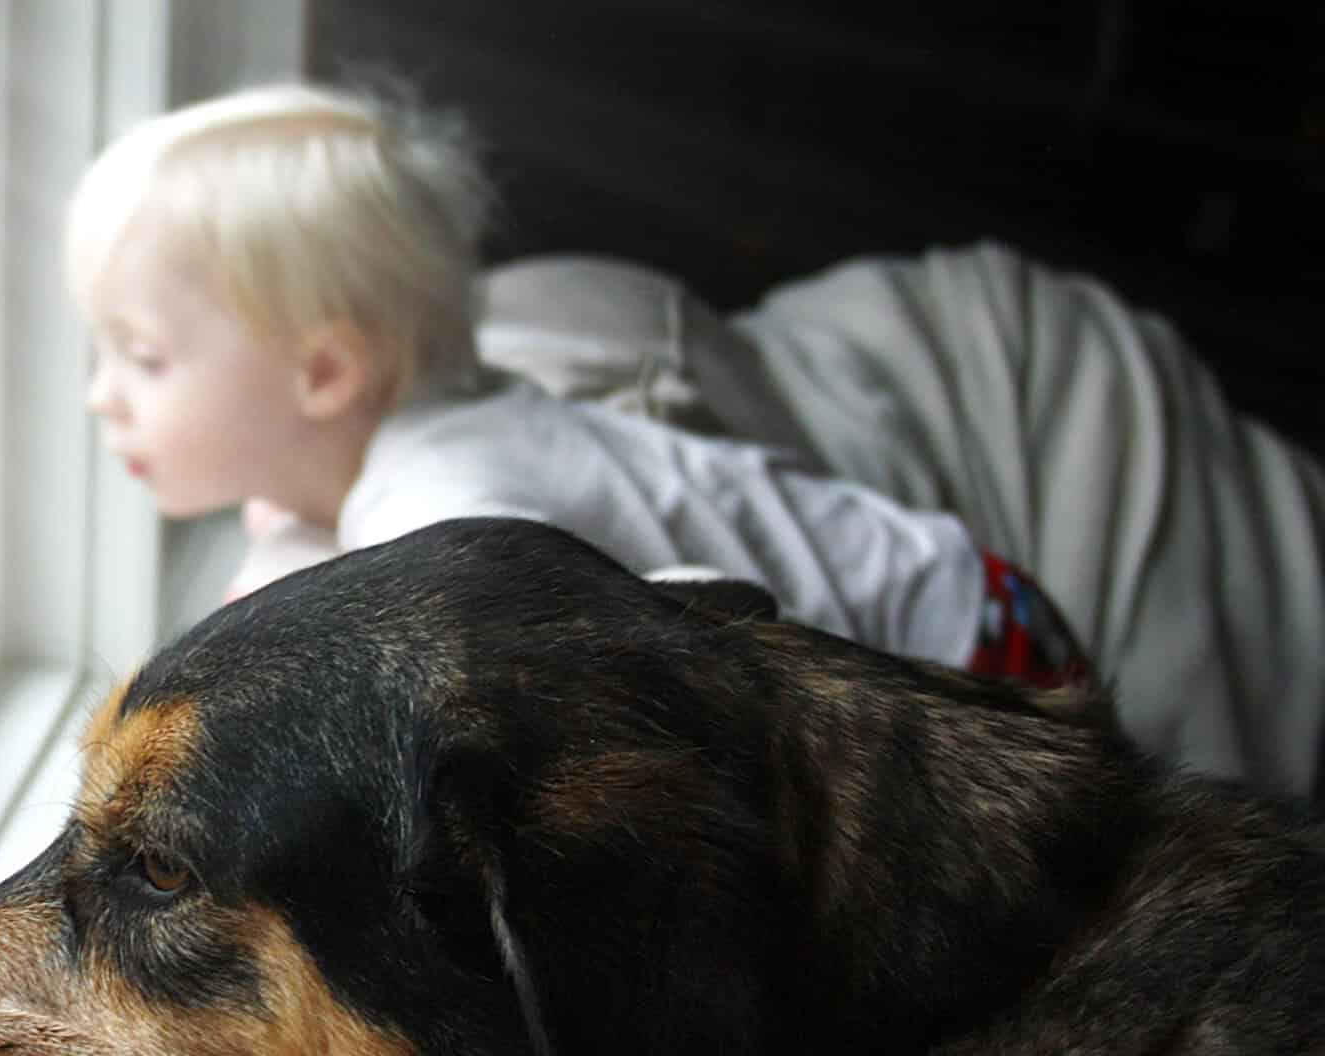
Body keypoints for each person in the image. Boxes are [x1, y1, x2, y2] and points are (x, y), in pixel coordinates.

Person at [66, 81, 1087, 688]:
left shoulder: (449, 506)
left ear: (325, 373)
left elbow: (622, 672)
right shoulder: (370, 452)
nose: (98, 396)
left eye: (142, 358)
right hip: (973, 590)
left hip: (973, 652)